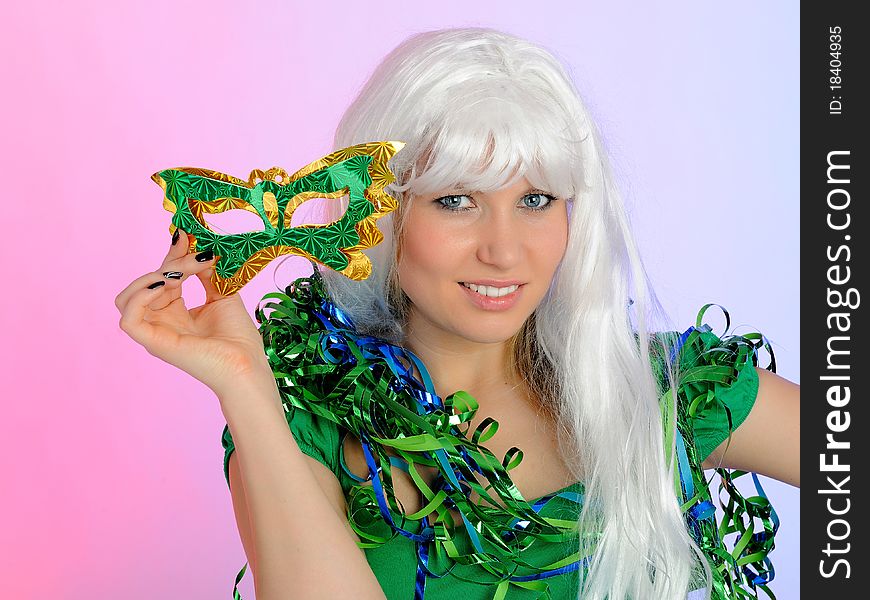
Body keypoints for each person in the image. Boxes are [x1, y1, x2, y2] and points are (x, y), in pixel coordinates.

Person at [115, 27, 800, 600]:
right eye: (457, 199)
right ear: (380, 215)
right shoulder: (306, 433)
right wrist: (244, 383)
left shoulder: (670, 388)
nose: (505, 251)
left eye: (536, 200)